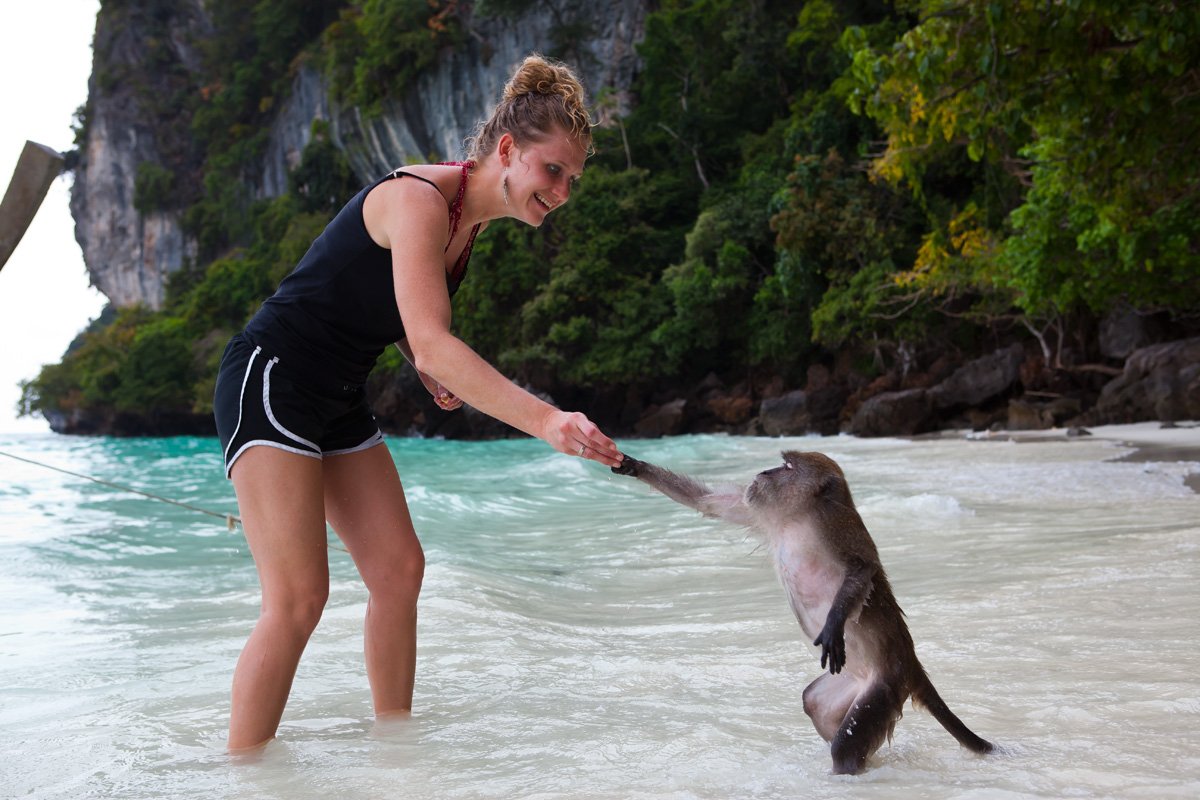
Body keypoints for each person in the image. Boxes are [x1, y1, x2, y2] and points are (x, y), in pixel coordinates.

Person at [212, 54, 623, 752]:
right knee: (298, 599)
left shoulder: (470, 225)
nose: (562, 191)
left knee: (400, 571)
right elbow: (434, 342)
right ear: (507, 150)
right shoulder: (419, 201)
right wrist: (546, 419)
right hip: (272, 377)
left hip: (338, 394)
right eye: (553, 170)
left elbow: (389, 308)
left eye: (573, 180)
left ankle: (397, 759)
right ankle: (241, 777)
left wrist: (414, 354)